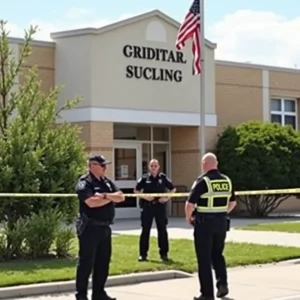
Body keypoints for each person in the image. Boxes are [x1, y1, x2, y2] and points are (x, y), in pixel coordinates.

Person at [185, 152, 236, 300]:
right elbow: (233, 202)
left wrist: (189, 218)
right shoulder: (227, 180)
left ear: (204, 165)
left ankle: (207, 294)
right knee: (218, 255)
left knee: (204, 259)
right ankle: (222, 285)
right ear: (217, 164)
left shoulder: (203, 181)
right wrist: (221, 212)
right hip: (221, 223)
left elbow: (189, 204)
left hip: (204, 224)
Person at [75, 154, 125, 300]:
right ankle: (81, 295)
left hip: (105, 227)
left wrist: (104, 196)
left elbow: (121, 197)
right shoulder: (85, 182)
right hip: (90, 228)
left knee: (103, 262)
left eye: (105, 165)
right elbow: (91, 202)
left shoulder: (106, 182)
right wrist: (110, 198)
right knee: (86, 263)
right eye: (102, 165)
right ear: (92, 166)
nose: (105, 168)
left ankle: (99, 293)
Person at [134, 159, 176, 262]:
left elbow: (173, 189)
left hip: (160, 207)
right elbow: (136, 190)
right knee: (145, 230)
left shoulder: (163, 177)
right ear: (149, 167)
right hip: (147, 207)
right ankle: (143, 254)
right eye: (152, 165)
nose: (154, 167)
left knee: (162, 230)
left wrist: (166, 198)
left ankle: (164, 254)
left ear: (159, 167)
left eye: (155, 165)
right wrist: (144, 197)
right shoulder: (144, 178)